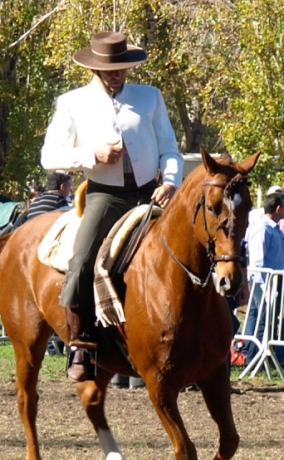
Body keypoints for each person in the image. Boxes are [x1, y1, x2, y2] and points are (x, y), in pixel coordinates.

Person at [39, 31, 183, 382]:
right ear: (96, 68)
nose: (117, 73)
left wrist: (171, 181)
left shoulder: (149, 98)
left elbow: (169, 147)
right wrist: (93, 155)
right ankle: (81, 345)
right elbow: (49, 156)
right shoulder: (73, 102)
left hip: (152, 192)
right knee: (83, 260)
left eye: (122, 67)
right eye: (110, 68)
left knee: (194, 249)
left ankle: (205, 340)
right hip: (106, 195)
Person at [241, 192, 284, 364]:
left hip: (270, 281)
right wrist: (265, 287)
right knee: (264, 317)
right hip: (264, 282)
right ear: (278, 209)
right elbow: (258, 262)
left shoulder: (274, 229)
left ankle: (252, 354)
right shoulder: (263, 229)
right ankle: (255, 357)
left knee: (259, 315)